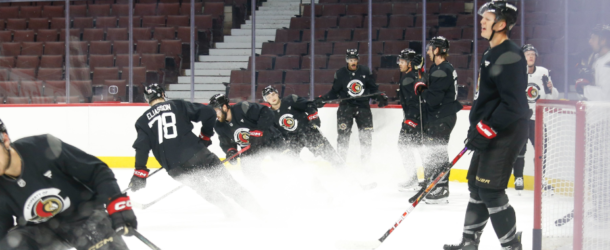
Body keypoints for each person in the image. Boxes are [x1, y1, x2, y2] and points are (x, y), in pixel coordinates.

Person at [444, 1, 528, 249]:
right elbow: (489, 98)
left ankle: (512, 245)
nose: (482, 21)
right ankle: (469, 243)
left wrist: (486, 128)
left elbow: (515, 105)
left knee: (491, 191)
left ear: (501, 24)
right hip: (491, 129)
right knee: (476, 188)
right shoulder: (490, 53)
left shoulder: (510, 54)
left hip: (507, 131)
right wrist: (476, 128)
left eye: (488, 19)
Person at [129, 84, 264, 219]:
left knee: (205, 189)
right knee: (227, 185)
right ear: (163, 95)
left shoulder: (142, 121)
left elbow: (142, 148)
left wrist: (139, 173)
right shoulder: (178, 105)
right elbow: (209, 113)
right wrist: (205, 135)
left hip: (174, 167)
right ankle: (260, 213)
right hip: (197, 154)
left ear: (148, 100)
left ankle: (229, 210)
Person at [0, 119, 136, 250]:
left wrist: (116, 202)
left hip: (84, 217)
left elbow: (96, 171)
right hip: (41, 232)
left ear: (5, 140)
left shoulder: (42, 146)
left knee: (97, 231)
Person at [314, 49, 388, 165]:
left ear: (358, 60)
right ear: (346, 60)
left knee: (366, 137)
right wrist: (323, 99)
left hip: (363, 107)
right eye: (350, 60)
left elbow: (373, 89)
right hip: (345, 108)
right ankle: (341, 162)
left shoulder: (365, 71)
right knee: (343, 137)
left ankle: (365, 163)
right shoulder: (340, 73)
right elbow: (334, 92)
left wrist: (380, 96)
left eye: (354, 60)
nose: (353, 62)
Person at [412, 36, 463, 204]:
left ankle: (441, 187)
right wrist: (420, 75)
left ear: (437, 50)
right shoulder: (440, 67)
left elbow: (433, 98)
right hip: (441, 115)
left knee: (438, 150)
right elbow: (429, 82)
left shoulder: (441, 69)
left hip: (442, 115)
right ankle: (432, 183)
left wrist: (421, 90)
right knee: (433, 149)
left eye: (430, 48)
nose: (427, 51)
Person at [209, 93, 285, 185]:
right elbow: (226, 142)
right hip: (251, 148)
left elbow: (267, 112)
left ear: (224, 107)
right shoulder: (219, 126)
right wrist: (231, 151)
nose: (214, 115)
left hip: (271, 139)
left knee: (285, 162)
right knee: (249, 171)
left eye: (216, 111)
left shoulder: (242, 108)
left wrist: (259, 130)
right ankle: (269, 188)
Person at [512, 44, 558, 193]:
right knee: (520, 149)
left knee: (541, 149)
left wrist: (551, 89)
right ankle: (518, 177)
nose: (530, 56)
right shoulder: (517, 72)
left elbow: (552, 97)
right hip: (520, 119)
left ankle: (540, 179)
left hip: (537, 118)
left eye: (533, 54)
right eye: (527, 54)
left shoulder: (543, 73)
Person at [262, 86, 342, 167]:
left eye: (273, 94)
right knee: (289, 158)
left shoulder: (291, 99)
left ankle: (342, 168)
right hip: (291, 139)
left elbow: (309, 105)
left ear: (277, 94)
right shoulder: (269, 115)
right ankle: (305, 175)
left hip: (307, 131)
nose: (272, 98)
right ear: (266, 100)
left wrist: (313, 115)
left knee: (326, 152)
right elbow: (274, 132)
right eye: (268, 97)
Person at [395, 49, 426, 191]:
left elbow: (414, 103)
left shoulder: (408, 78)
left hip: (414, 120)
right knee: (418, 149)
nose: (399, 64)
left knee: (405, 146)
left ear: (410, 63)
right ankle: (423, 178)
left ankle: (418, 178)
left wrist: (411, 121)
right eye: (399, 61)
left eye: (402, 61)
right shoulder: (416, 76)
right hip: (418, 120)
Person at [576, 24, 610, 101]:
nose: (590, 41)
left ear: (603, 40)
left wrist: (584, 89)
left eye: (593, 39)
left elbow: (606, 96)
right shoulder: (597, 57)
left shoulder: (608, 63)